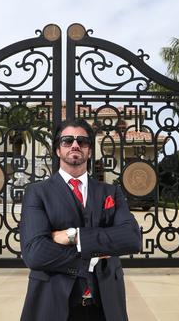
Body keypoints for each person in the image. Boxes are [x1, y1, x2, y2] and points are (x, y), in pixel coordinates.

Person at [20, 119, 141, 321]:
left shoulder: (111, 192)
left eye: (82, 141)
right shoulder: (37, 192)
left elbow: (131, 238)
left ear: (90, 151)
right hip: (53, 302)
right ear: (58, 150)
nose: (75, 145)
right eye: (67, 141)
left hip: (105, 303)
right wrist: (94, 257)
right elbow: (35, 252)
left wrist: (74, 236)